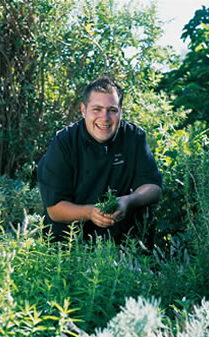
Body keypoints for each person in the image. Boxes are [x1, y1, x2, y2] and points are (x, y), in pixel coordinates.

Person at [37, 76, 162, 242]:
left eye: (112, 110)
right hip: (67, 248)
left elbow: (154, 188)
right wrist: (90, 212)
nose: (105, 118)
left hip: (123, 246)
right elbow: (55, 209)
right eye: (97, 109)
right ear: (83, 110)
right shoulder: (64, 142)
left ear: (120, 111)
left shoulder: (134, 137)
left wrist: (128, 201)